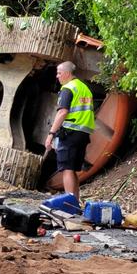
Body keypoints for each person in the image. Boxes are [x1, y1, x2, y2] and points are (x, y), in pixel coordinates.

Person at [45, 61, 94, 199]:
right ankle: (75, 203)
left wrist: (51, 134)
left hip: (70, 132)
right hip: (83, 133)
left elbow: (62, 113)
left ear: (67, 74)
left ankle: (69, 204)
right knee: (72, 170)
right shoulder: (84, 88)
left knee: (67, 169)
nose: (57, 76)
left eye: (59, 73)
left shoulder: (68, 88)